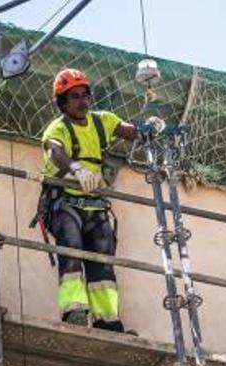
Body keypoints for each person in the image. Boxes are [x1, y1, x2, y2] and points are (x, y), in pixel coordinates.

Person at [37, 68, 163, 333]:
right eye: (75, 96)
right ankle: (74, 311)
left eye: (86, 95)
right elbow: (55, 151)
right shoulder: (57, 128)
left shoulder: (101, 121)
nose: (83, 101)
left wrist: (148, 129)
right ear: (63, 102)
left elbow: (129, 131)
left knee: (102, 263)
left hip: (94, 204)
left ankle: (107, 319)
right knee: (71, 249)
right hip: (64, 203)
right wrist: (77, 169)